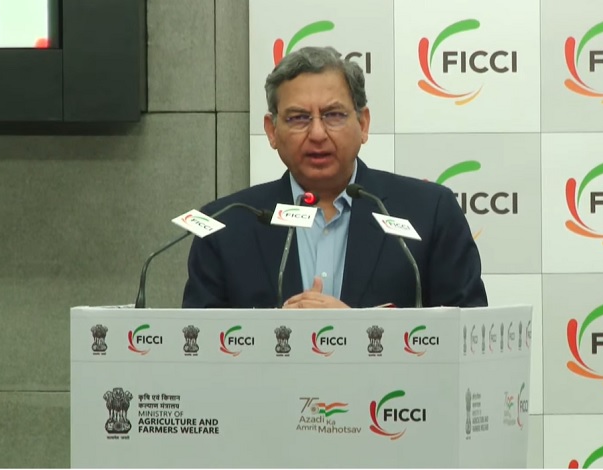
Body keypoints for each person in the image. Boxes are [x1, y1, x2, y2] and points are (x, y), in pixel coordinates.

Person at [181, 46, 487, 309]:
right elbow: (198, 348)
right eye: (298, 118)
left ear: (363, 124)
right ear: (272, 131)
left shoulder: (430, 212)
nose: (317, 133)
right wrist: (275, 335)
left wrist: (354, 332)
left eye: (334, 115)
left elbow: (465, 335)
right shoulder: (224, 225)